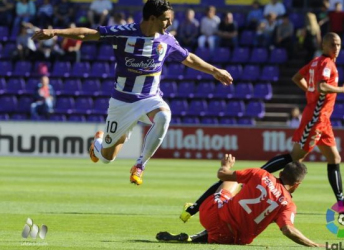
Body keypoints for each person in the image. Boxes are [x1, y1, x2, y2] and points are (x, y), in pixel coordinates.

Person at [32, 0, 233, 186]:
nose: (169, 23)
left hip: (150, 99)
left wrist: (215, 70)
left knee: (164, 115)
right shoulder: (124, 32)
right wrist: (56, 32)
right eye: (166, 19)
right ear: (152, 18)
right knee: (107, 158)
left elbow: (189, 58)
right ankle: (99, 144)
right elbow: (88, 34)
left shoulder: (167, 40)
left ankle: (140, 165)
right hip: (122, 102)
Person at [259, 32, 344, 213]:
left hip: (324, 120)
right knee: (295, 157)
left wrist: (310, 94)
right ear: (324, 45)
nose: (336, 48)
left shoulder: (316, 62)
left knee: (334, 158)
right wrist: (342, 89)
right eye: (333, 44)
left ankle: (342, 204)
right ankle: (258, 176)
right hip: (316, 119)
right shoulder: (326, 63)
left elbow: (297, 78)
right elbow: (321, 86)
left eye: (339, 44)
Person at [157, 154, 324, 247]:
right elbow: (288, 230)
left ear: (280, 174)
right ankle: (198, 237)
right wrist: (314, 245)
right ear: (297, 185)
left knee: (233, 181)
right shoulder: (288, 205)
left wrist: (226, 166)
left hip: (212, 216)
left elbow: (222, 175)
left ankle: (192, 211)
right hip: (234, 239)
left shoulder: (260, 174)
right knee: (262, 215)